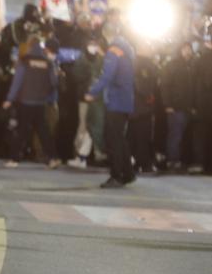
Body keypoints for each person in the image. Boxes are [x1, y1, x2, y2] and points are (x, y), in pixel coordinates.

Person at [85, 25, 136, 188]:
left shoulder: (113, 51)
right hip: (125, 101)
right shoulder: (127, 51)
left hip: (115, 101)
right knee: (120, 139)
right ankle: (127, 173)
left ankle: (116, 175)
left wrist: (92, 92)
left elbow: (106, 75)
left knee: (113, 139)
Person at [2, 35, 60, 169]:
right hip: (40, 102)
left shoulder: (25, 60)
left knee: (21, 130)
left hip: (26, 101)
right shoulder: (48, 62)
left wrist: (9, 99)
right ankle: (53, 157)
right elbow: (54, 82)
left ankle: (14, 158)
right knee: (43, 131)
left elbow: (17, 82)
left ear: (29, 45)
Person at [67, 39, 106, 169]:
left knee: (95, 126)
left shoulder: (102, 60)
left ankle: (95, 153)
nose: (93, 48)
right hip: (85, 98)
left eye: (95, 45)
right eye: (91, 45)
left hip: (98, 99)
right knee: (84, 126)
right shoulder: (82, 59)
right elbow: (76, 76)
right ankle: (79, 153)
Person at [162, 42, 196, 171]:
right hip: (175, 108)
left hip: (187, 108)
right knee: (175, 135)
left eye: (189, 49)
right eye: (186, 49)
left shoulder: (191, 66)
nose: (188, 52)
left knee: (182, 136)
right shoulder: (172, 66)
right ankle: (172, 161)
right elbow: (165, 86)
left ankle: (180, 160)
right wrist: (168, 104)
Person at [128, 41, 158, 174]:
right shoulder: (141, 64)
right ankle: (141, 163)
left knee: (135, 136)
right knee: (141, 136)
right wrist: (148, 95)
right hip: (141, 107)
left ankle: (134, 162)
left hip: (138, 107)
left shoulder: (137, 62)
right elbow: (142, 84)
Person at [194, 31, 212, 173]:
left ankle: (206, 164)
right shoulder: (206, 59)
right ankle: (208, 165)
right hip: (207, 105)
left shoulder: (202, 58)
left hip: (203, 105)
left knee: (205, 136)